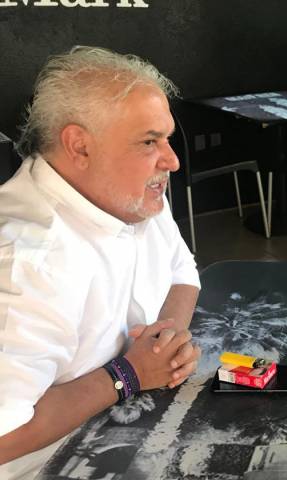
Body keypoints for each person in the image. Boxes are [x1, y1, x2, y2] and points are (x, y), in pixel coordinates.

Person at [0, 46, 202, 479]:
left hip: (129, 430)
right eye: (149, 141)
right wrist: (129, 373)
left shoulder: (132, 194)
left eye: (167, 138)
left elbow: (182, 271)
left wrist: (166, 339)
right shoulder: (26, 263)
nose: (172, 160)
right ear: (80, 146)